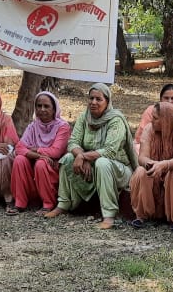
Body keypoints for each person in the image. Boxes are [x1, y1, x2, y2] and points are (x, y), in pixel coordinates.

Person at [47, 83, 138, 230]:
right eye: (91, 98)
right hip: (92, 164)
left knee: (102, 162)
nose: (93, 102)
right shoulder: (85, 116)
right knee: (68, 158)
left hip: (119, 169)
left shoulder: (116, 120)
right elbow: (73, 142)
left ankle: (109, 215)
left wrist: (84, 157)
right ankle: (63, 204)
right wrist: (81, 156)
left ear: (107, 101)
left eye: (99, 99)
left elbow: (109, 151)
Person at [129, 101, 173, 231]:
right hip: (155, 171)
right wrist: (150, 164)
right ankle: (142, 216)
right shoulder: (149, 129)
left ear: (166, 119)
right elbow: (142, 157)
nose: (152, 120)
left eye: (155, 118)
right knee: (141, 171)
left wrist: (163, 165)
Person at [11, 91, 71, 213]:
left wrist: (36, 149)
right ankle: (20, 203)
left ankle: (48, 203)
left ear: (54, 109)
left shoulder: (63, 127)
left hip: (53, 169)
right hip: (34, 169)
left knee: (41, 164)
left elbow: (56, 152)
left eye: (46, 106)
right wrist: (39, 155)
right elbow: (19, 148)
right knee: (19, 159)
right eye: (39, 106)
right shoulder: (33, 126)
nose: (42, 109)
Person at [135, 83, 173, 150]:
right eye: (166, 98)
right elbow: (140, 136)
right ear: (160, 99)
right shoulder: (151, 111)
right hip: (149, 145)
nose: (169, 101)